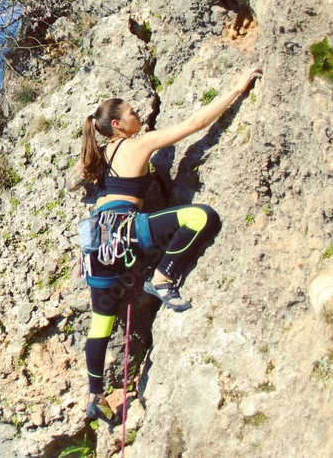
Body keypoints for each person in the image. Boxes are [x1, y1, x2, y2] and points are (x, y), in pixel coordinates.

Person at [66, 66, 262, 426]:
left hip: (96, 247)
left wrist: (86, 170)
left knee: (100, 325)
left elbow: (72, 184)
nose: (138, 114)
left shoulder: (97, 156)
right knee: (200, 217)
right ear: (119, 126)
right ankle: (162, 277)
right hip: (127, 231)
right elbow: (194, 124)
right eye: (131, 112)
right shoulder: (138, 143)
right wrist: (237, 88)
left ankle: (94, 395)